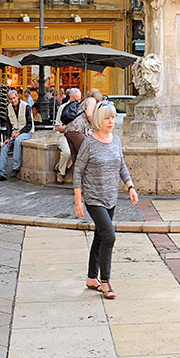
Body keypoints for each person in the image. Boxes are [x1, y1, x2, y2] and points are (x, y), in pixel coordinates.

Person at [74, 101, 138, 300]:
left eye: (113, 117)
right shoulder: (89, 143)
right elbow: (78, 170)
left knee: (100, 237)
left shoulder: (116, 140)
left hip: (111, 197)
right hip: (94, 198)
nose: (112, 121)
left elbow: (122, 166)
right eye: (107, 118)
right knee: (109, 235)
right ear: (99, 120)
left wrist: (130, 187)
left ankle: (91, 278)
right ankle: (105, 282)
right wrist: (78, 200)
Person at [0, 90, 34, 181]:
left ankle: (16, 167)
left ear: (17, 97)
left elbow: (29, 125)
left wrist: (19, 133)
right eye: (10, 99)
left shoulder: (26, 106)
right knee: (4, 147)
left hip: (26, 132)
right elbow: (8, 125)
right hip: (14, 133)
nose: (12, 100)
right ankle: (2, 173)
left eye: (14, 98)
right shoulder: (9, 108)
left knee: (18, 140)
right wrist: (7, 138)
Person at [65, 88, 102, 165]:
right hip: (77, 130)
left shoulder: (85, 101)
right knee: (86, 154)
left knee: (75, 157)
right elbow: (89, 114)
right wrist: (97, 126)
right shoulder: (92, 100)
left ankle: (76, 176)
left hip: (69, 130)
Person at [55, 88, 81, 183]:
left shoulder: (81, 108)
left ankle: (60, 165)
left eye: (80, 99)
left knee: (82, 152)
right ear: (70, 97)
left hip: (77, 136)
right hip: (63, 135)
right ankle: (60, 173)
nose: (78, 102)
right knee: (67, 152)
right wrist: (69, 128)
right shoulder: (63, 108)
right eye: (76, 99)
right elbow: (57, 127)